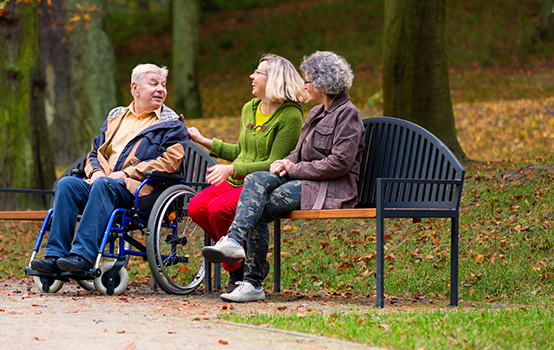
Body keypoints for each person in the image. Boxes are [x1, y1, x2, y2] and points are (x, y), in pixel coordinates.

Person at [202, 51, 366, 302]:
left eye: (308, 81)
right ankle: (234, 243)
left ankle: (252, 281)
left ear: (323, 85)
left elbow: (339, 163)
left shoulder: (348, 114)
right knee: (255, 180)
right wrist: (285, 162)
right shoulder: (316, 113)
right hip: (304, 180)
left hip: (327, 188)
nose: (304, 85)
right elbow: (298, 153)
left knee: (259, 205)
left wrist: (293, 169)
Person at [31, 63, 188, 274]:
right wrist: (96, 172)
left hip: (138, 190)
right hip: (103, 184)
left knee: (105, 185)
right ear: (135, 88)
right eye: (153, 84)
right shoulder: (116, 117)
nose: (161, 89)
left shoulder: (172, 124)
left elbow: (170, 161)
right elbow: (95, 151)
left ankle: (82, 257)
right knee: (67, 184)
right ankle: (54, 257)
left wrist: (125, 173)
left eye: (163, 84)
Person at [187, 54, 310, 292]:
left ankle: (241, 270)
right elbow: (242, 151)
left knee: (218, 209)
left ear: (273, 79)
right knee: (196, 207)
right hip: (236, 181)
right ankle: (239, 266)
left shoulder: (290, 115)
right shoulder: (249, 108)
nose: (251, 76)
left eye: (258, 72)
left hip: (263, 184)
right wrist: (204, 140)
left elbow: (275, 163)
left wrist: (233, 168)